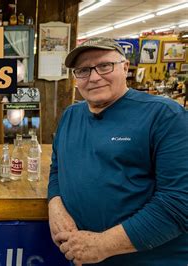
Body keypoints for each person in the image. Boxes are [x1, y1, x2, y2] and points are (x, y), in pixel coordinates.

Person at [48, 37, 187, 265]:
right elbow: (57, 169)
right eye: (83, 70)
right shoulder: (70, 115)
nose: (94, 77)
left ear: (125, 67)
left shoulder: (165, 116)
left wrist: (101, 245)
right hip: (83, 257)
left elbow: (178, 203)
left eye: (104, 66)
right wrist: (55, 205)